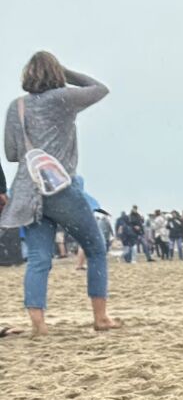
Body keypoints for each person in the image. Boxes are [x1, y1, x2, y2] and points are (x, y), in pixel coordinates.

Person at [1, 51, 120, 335]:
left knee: (40, 258)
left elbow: (12, 153)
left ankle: (38, 324)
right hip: (59, 188)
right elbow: (100, 89)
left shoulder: (16, 106)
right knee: (95, 249)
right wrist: (65, 73)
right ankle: (101, 318)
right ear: (56, 76)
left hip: (27, 192)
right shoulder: (62, 99)